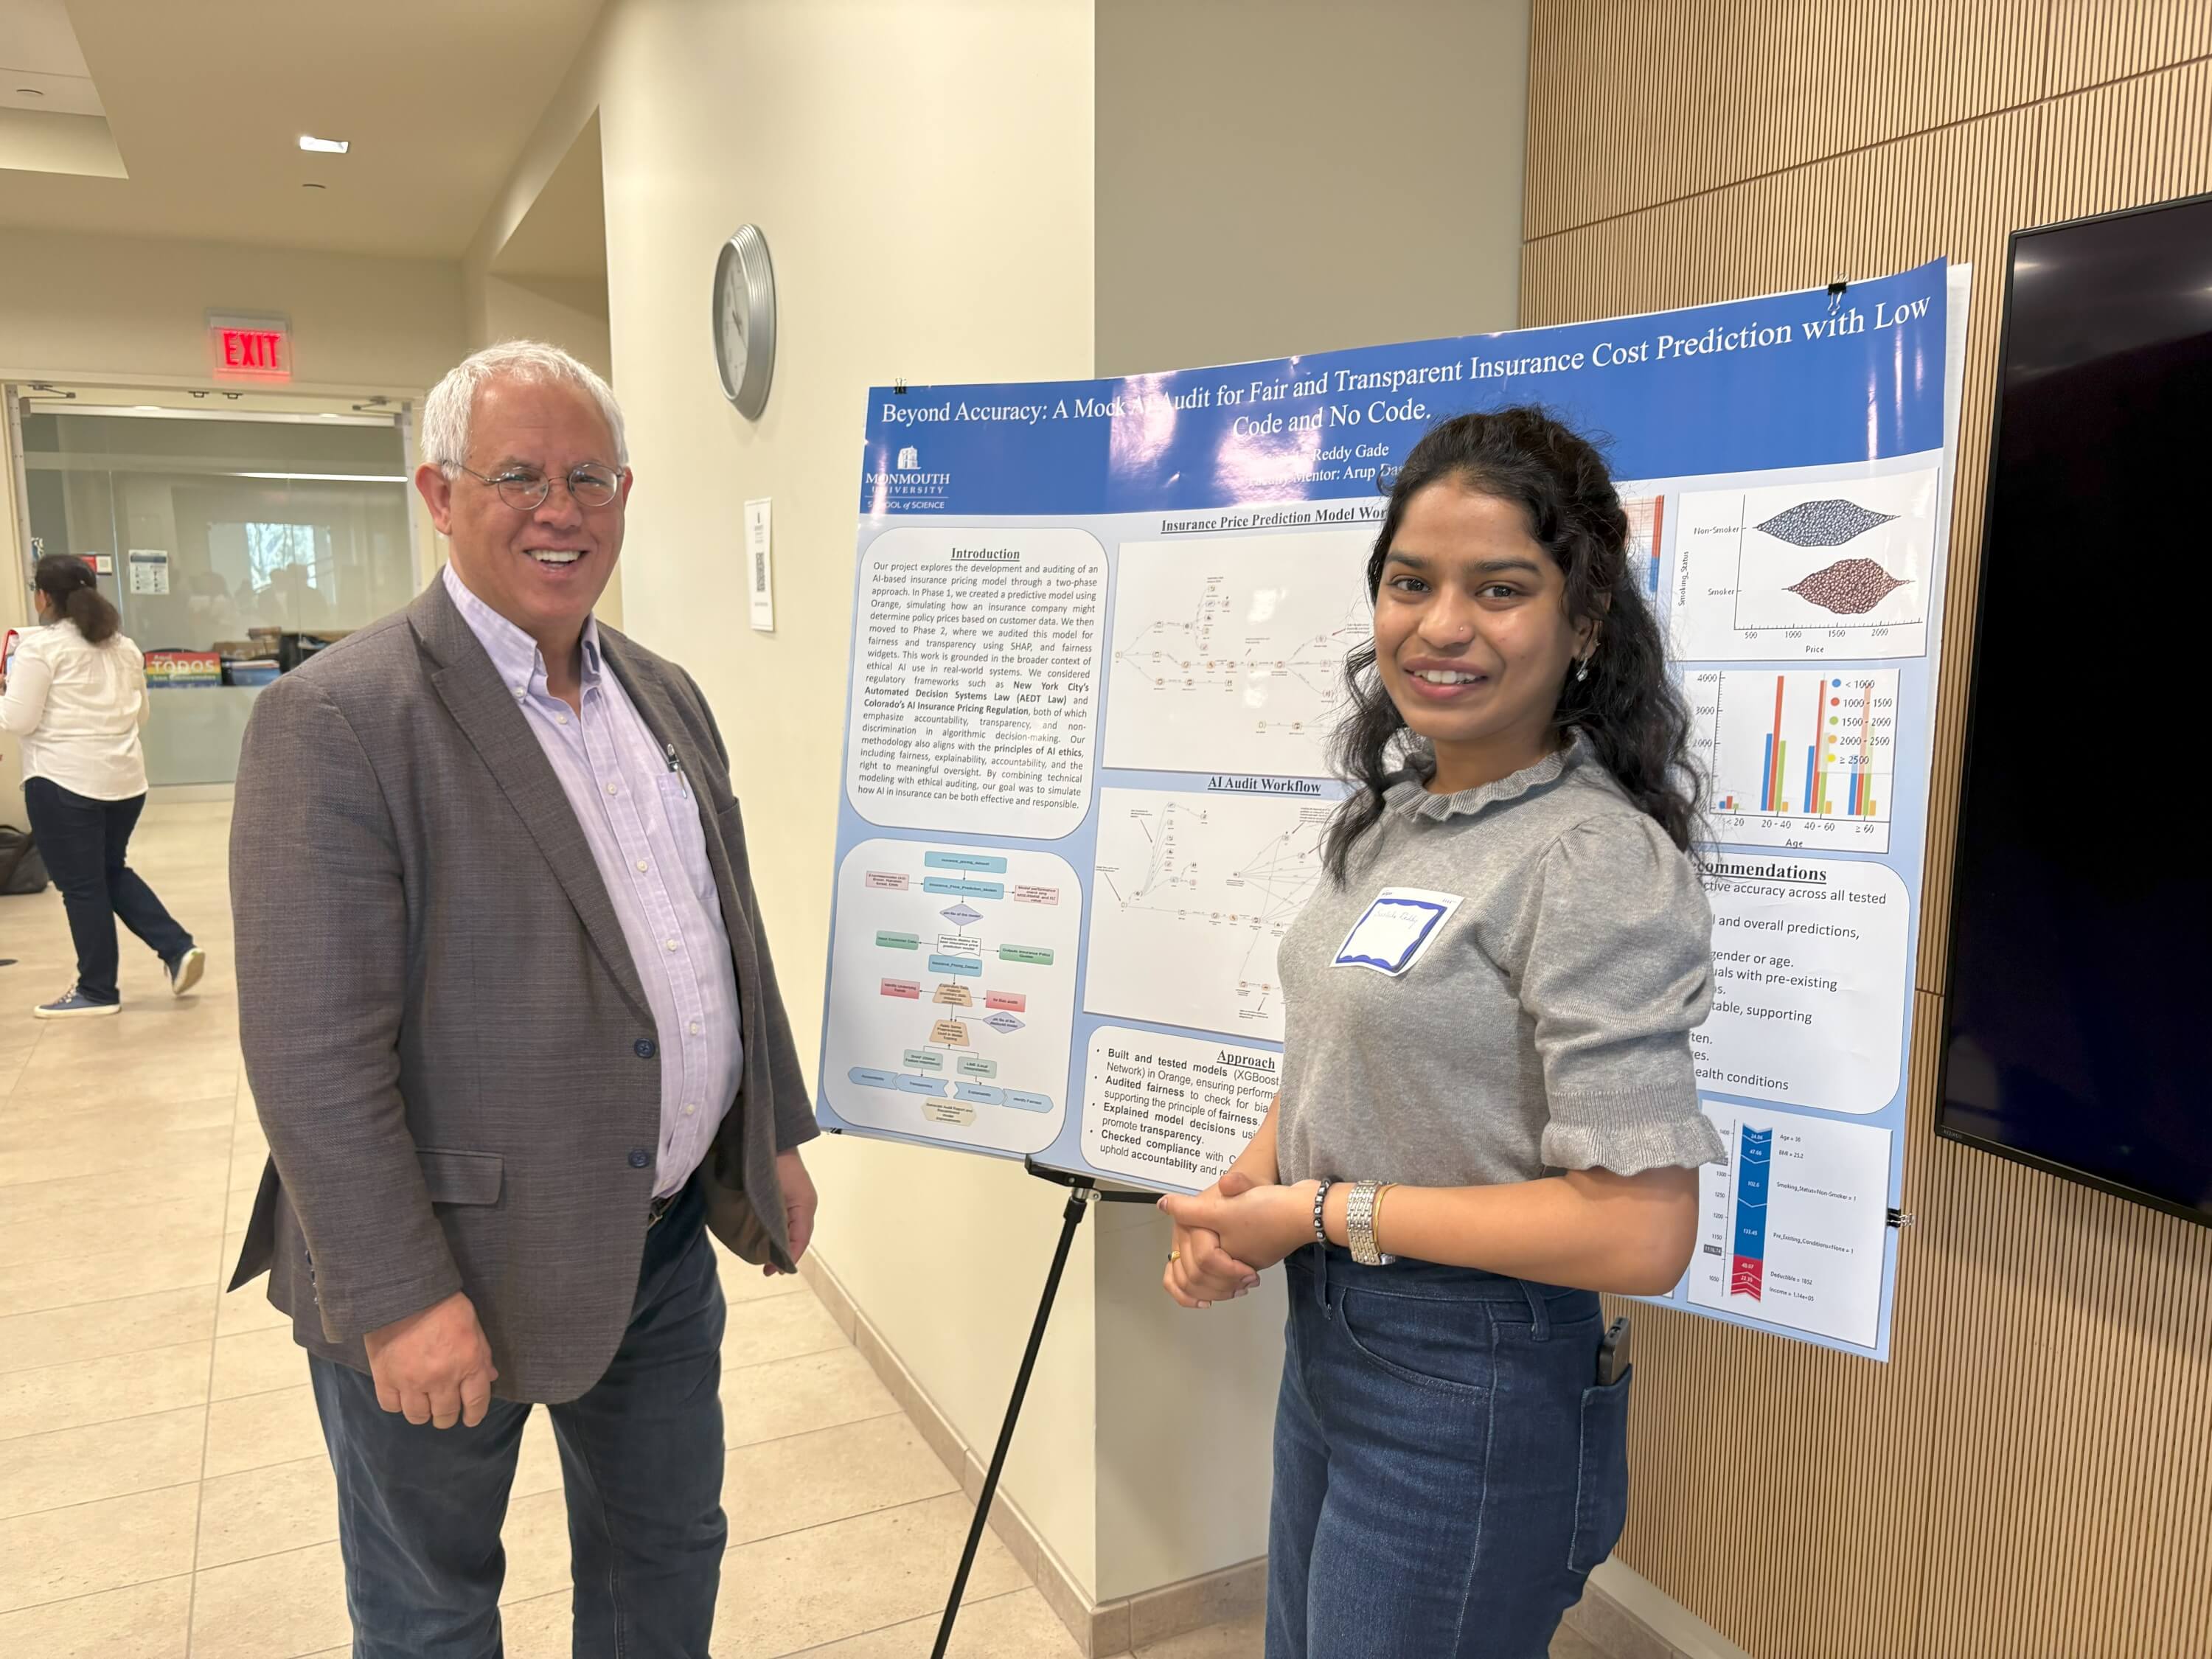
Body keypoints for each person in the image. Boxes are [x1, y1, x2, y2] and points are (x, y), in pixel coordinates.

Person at [226, 341, 821, 1658]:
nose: (561, 509)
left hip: (655, 1251)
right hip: (447, 1270)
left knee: (666, 1556)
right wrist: (395, 1295)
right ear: (440, 495)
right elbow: (311, 1054)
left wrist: (763, 1131)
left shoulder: (663, 695)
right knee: (434, 1609)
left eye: (589, 478)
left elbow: (725, 937)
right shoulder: (341, 719)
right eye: (518, 476)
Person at [1158, 408, 1722, 1658]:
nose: (1443, 624)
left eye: (1501, 587)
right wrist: (1245, 1196)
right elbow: (1337, 1046)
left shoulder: (1593, 860)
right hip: (1338, 1346)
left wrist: (1316, 1214)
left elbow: (1640, 1228)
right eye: (1411, 582)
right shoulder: (1404, 814)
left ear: (1584, 624)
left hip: (1477, 1381)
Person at [0, 553, 206, 1017]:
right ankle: (177, 949)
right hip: (125, 782)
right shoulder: (123, 646)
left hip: (63, 782)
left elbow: (18, 718)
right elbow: (141, 714)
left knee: (82, 886)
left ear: (43, 597)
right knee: (109, 871)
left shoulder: (41, 648)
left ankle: (97, 990)